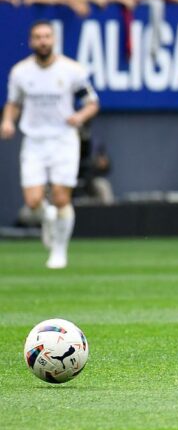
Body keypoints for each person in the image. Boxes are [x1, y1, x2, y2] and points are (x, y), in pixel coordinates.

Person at [2, 21, 99, 269]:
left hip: (63, 139)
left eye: (46, 36)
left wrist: (79, 116)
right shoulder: (20, 72)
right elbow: (13, 102)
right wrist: (7, 122)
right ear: (32, 41)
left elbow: (91, 102)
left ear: (53, 39)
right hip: (34, 140)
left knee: (60, 196)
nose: (42, 41)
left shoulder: (71, 70)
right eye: (37, 37)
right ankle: (47, 219)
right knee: (34, 202)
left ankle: (59, 251)